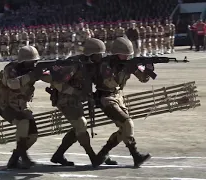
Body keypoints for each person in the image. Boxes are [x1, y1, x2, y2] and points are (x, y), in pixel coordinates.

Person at [41, 38, 116, 167]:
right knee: (81, 124)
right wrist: (75, 92)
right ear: (90, 55)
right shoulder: (75, 64)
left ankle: (58, 155)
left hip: (77, 100)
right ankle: (93, 157)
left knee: (78, 127)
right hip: (65, 100)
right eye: (98, 54)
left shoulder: (93, 65)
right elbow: (56, 82)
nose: (101, 57)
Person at [94, 37, 152, 168]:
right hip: (106, 98)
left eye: (128, 56)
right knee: (127, 123)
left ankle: (102, 154)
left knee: (123, 129)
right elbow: (110, 82)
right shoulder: (106, 64)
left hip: (118, 97)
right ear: (116, 53)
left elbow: (144, 79)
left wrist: (147, 69)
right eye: (124, 55)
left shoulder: (129, 64)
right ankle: (136, 155)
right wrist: (124, 68)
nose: (127, 58)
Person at [0, 45, 43, 169]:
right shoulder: (10, 69)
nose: (33, 64)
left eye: (35, 62)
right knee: (23, 122)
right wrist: (32, 76)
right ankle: (23, 156)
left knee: (33, 136)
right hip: (5, 106)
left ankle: (15, 158)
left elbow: (48, 77)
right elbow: (13, 84)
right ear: (23, 61)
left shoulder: (32, 70)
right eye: (30, 62)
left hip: (21, 106)